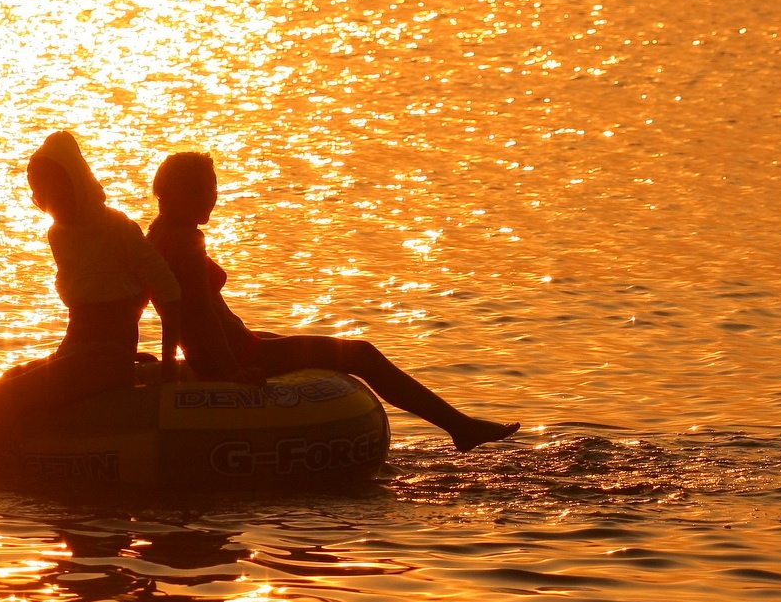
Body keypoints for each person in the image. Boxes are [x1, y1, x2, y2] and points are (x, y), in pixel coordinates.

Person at [145, 151, 520, 452]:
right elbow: (200, 311)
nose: (209, 198)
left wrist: (164, 358)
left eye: (211, 188)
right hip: (233, 355)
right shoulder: (186, 242)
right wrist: (230, 371)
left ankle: (461, 426)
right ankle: (461, 427)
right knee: (361, 353)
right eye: (196, 190)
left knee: (284, 337)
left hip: (223, 348)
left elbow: (166, 304)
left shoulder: (158, 234)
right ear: (167, 192)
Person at [0, 132, 181, 465]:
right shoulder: (58, 234)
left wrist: (167, 368)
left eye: (51, 189)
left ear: (74, 182)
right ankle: (3, 465)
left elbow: (168, 291)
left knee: (9, 395)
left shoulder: (118, 228)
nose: (44, 199)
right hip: (74, 352)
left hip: (106, 358)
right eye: (37, 192)